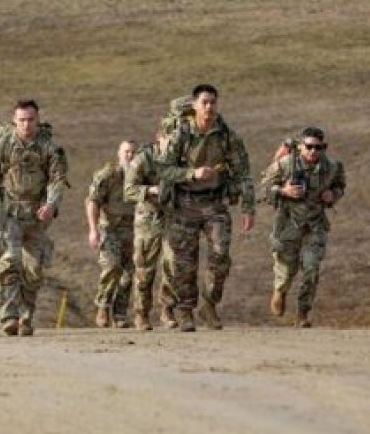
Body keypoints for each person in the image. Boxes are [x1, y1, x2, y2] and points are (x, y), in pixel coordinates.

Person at [153, 84, 255, 331]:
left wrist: (248, 207)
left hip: (215, 203)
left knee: (220, 257)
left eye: (213, 102)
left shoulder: (227, 136)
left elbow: (243, 173)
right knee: (184, 262)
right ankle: (185, 310)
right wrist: (191, 173)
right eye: (205, 102)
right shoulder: (182, 134)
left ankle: (209, 305)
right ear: (195, 105)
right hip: (184, 203)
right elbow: (163, 168)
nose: (209, 107)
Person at [0, 99, 69, 337]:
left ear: (37, 120)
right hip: (8, 214)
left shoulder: (48, 148)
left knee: (33, 269)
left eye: (30, 119)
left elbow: (58, 180)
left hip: (37, 216)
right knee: (9, 262)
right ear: (14, 120)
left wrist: (50, 204)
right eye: (22, 120)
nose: (26, 125)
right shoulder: (2, 145)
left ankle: (26, 315)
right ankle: (9, 316)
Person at [260, 127, 346, 327]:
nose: (314, 151)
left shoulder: (332, 167)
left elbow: (340, 185)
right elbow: (263, 189)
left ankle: (303, 314)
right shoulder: (286, 165)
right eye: (309, 147)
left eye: (319, 147)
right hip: (288, 225)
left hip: (314, 225)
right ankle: (280, 291)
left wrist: (333, 196)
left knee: (311, 269)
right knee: (286, 269)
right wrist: (284, 190)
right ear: (301, 147)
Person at [86, 140, 137, 328]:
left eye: (133, 152)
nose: (130, 156)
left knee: (130, 273)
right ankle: (103, 306)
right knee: (112, 267)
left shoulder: (142, 176)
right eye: (126, 152)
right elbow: (93, 202)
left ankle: (120, 313)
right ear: (119, 153)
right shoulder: (108, 176)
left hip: (134, 230)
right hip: (110, 229)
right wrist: (93, 230)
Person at [124, 126, 169, 330]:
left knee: (174, 266)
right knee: (144, 269)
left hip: (173, 217)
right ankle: (141, 313)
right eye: (169, 138)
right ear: (159, 138)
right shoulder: (143, 159)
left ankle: (167, 310)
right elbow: (129, 190)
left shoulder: (181, 158)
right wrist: (150, 189)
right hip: (148, 219)